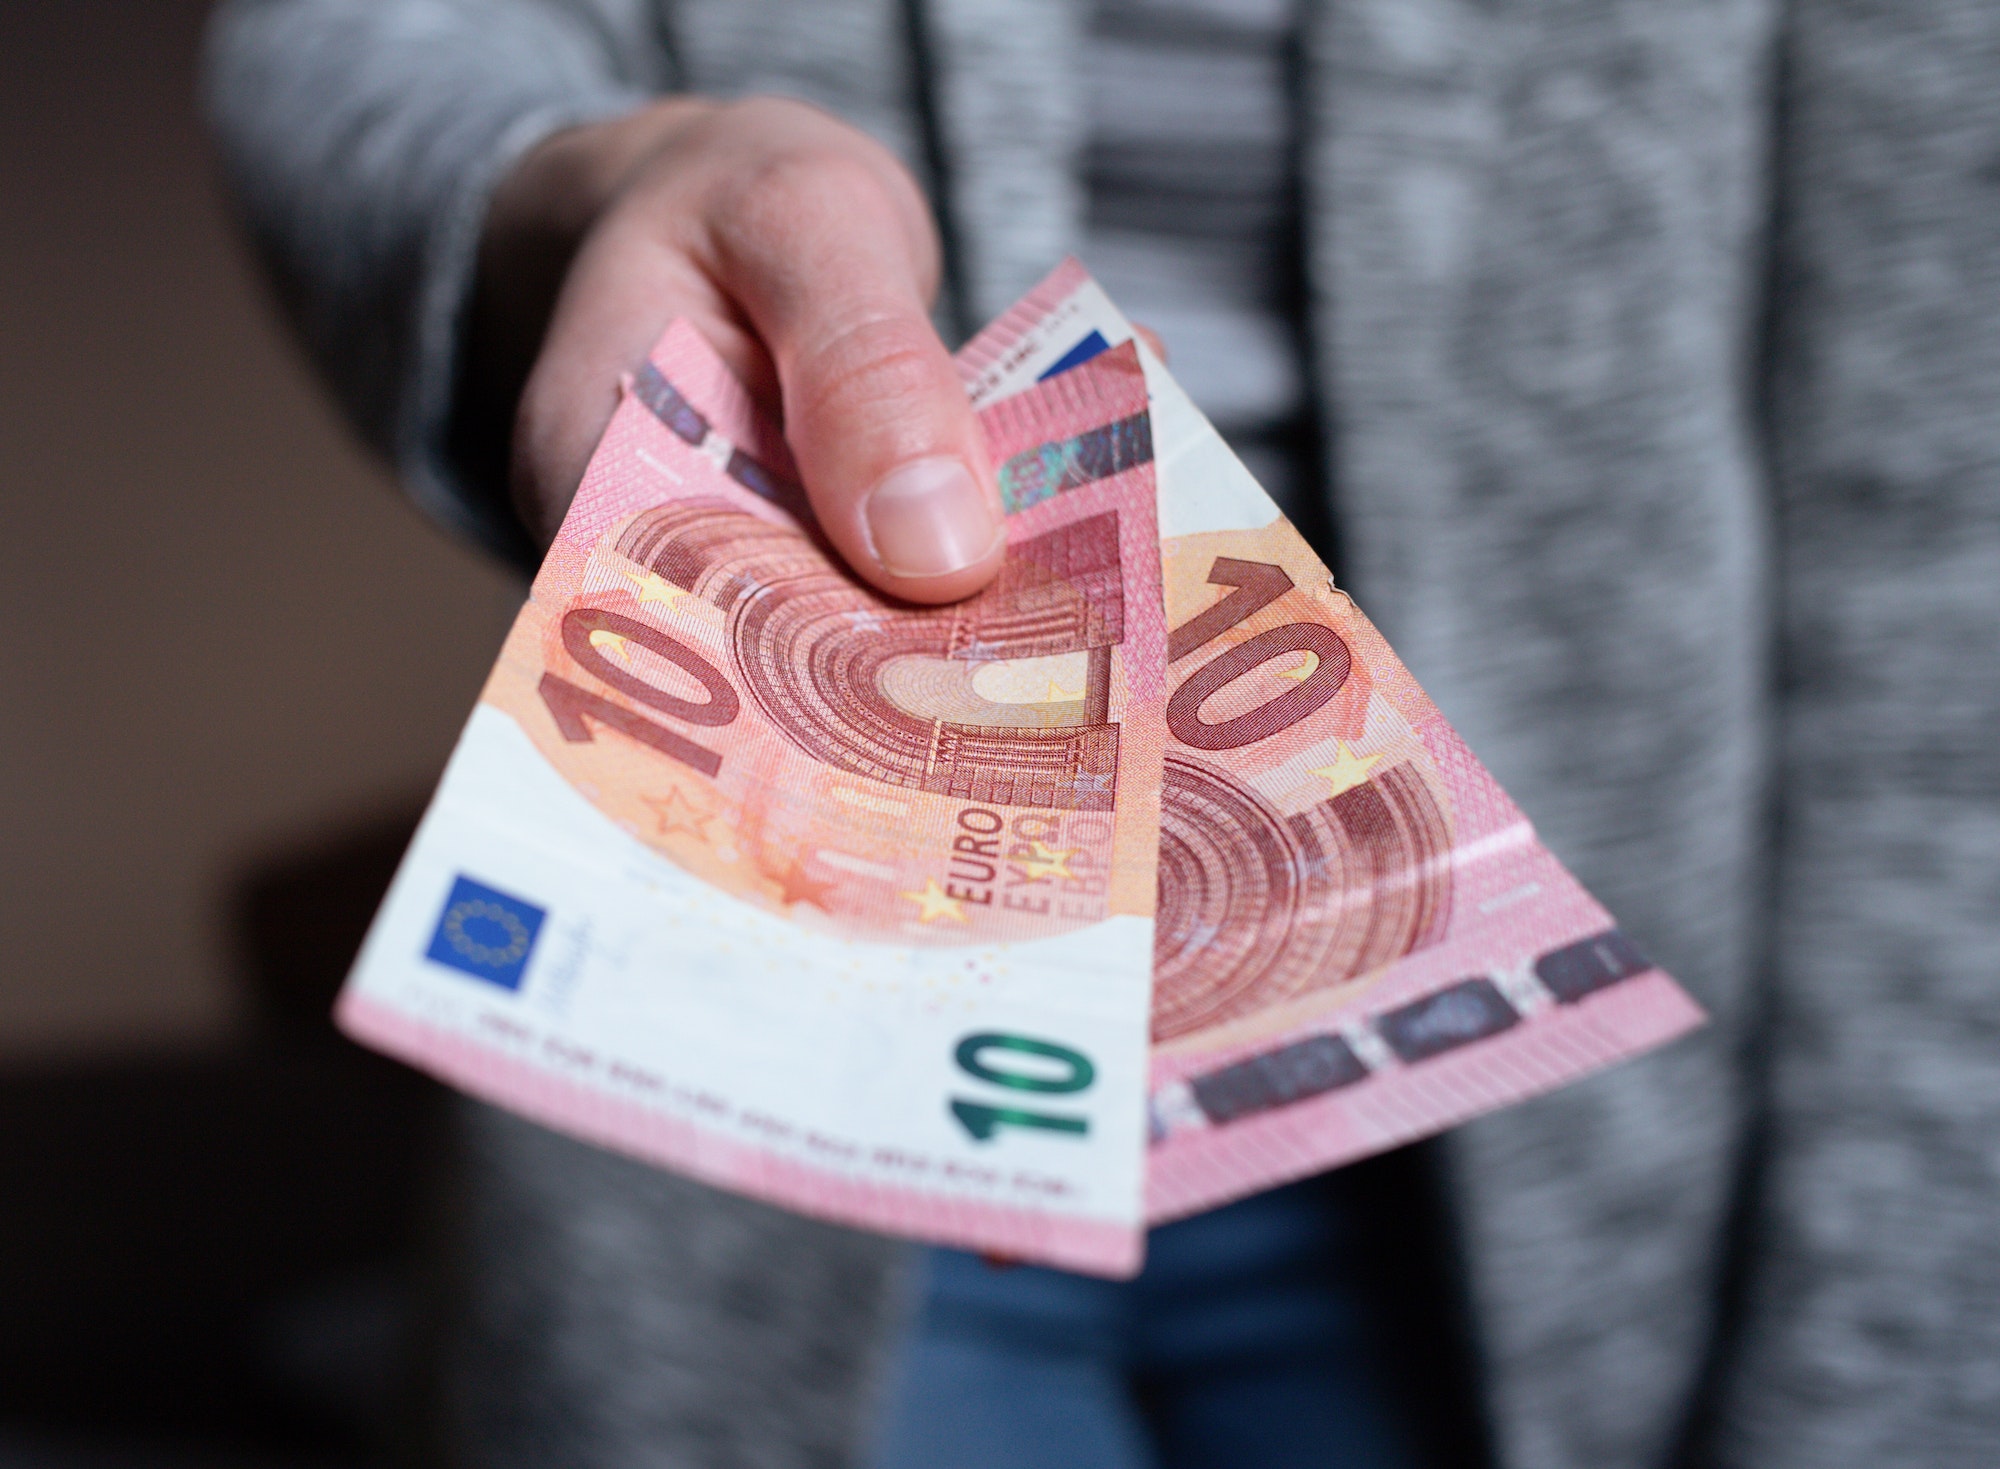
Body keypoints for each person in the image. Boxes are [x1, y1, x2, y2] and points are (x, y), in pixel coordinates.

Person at [204, 3, 2000, 1467]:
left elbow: (1936, 534)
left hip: (1544, 1131)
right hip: (770, 1053)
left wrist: (1881, 1362)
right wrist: (578, 188)